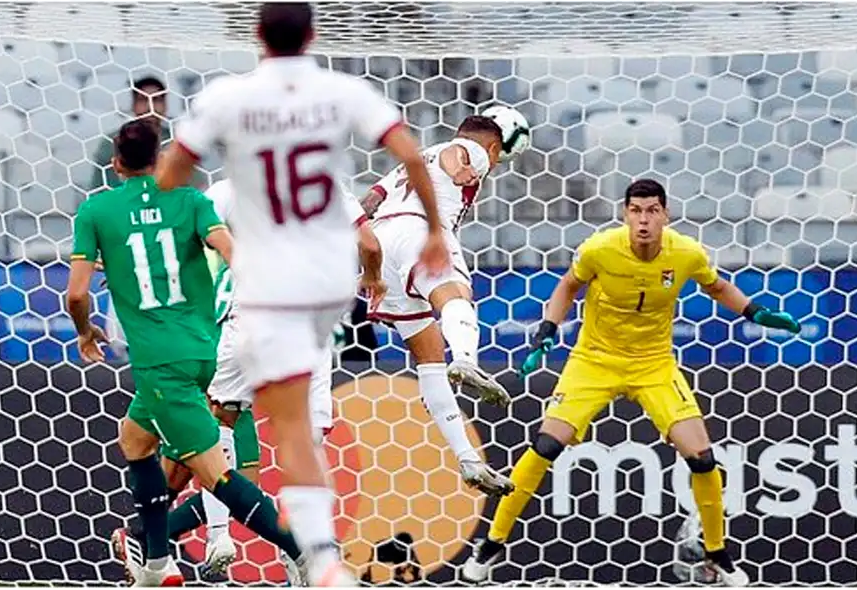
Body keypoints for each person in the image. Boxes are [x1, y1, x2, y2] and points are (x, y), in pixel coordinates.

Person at [153, 3, 449, 585]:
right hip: (324, 289)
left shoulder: (229, 99)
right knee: (301, 431)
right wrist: (435, 232)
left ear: (257, 37)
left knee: (242, 424)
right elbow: (413, 156)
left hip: (264, 287)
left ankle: (220, 543)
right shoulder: (342, 90)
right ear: (313, 35)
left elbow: (171, 174)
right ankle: (318, 557)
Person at [462, 178, 802, 586]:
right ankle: (491, 545)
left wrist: (755, 312)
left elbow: (717, 286)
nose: (643, 220)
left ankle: (717, 553)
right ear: (625, 215)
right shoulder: (599, 250)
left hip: (654, 365)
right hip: (594, 362)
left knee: (703, 458)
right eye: (636, 211)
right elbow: (567, 287)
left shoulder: (686, 253)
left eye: (652, 211)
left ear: (665, 215)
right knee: (545, 445)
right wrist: (546, 333)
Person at [112, 177, 385, 587]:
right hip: (304, 331)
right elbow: (370, 245)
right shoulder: (324, 185)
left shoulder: (231, 188)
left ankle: (181, 539)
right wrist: (373, 278)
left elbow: (168, 237)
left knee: (217, 441)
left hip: (243, 324)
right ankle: (274, 549)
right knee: (300, 447)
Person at [66, 120, 303, 586]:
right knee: (135, 440)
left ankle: (303, 553)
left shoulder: (97, 210)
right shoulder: (192, 200)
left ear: (115, 164)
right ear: (160, 159)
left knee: (218, 476)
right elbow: (233, 252)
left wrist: (84, 330)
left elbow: (76, 295)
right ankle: (156, 562)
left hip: (160, 362)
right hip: (207, 350)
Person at [359, 106, 529, 496]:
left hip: (379, 243)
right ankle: (467, 361)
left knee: (428, 352)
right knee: (456, 295)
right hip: (419, 231)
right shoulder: (471, 150)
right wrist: (459, 170)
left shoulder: (413, 162)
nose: (496, 162)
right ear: (490, 143)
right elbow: (459, 154)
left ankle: (469, 459)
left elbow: (368, 201)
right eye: (498, 154)